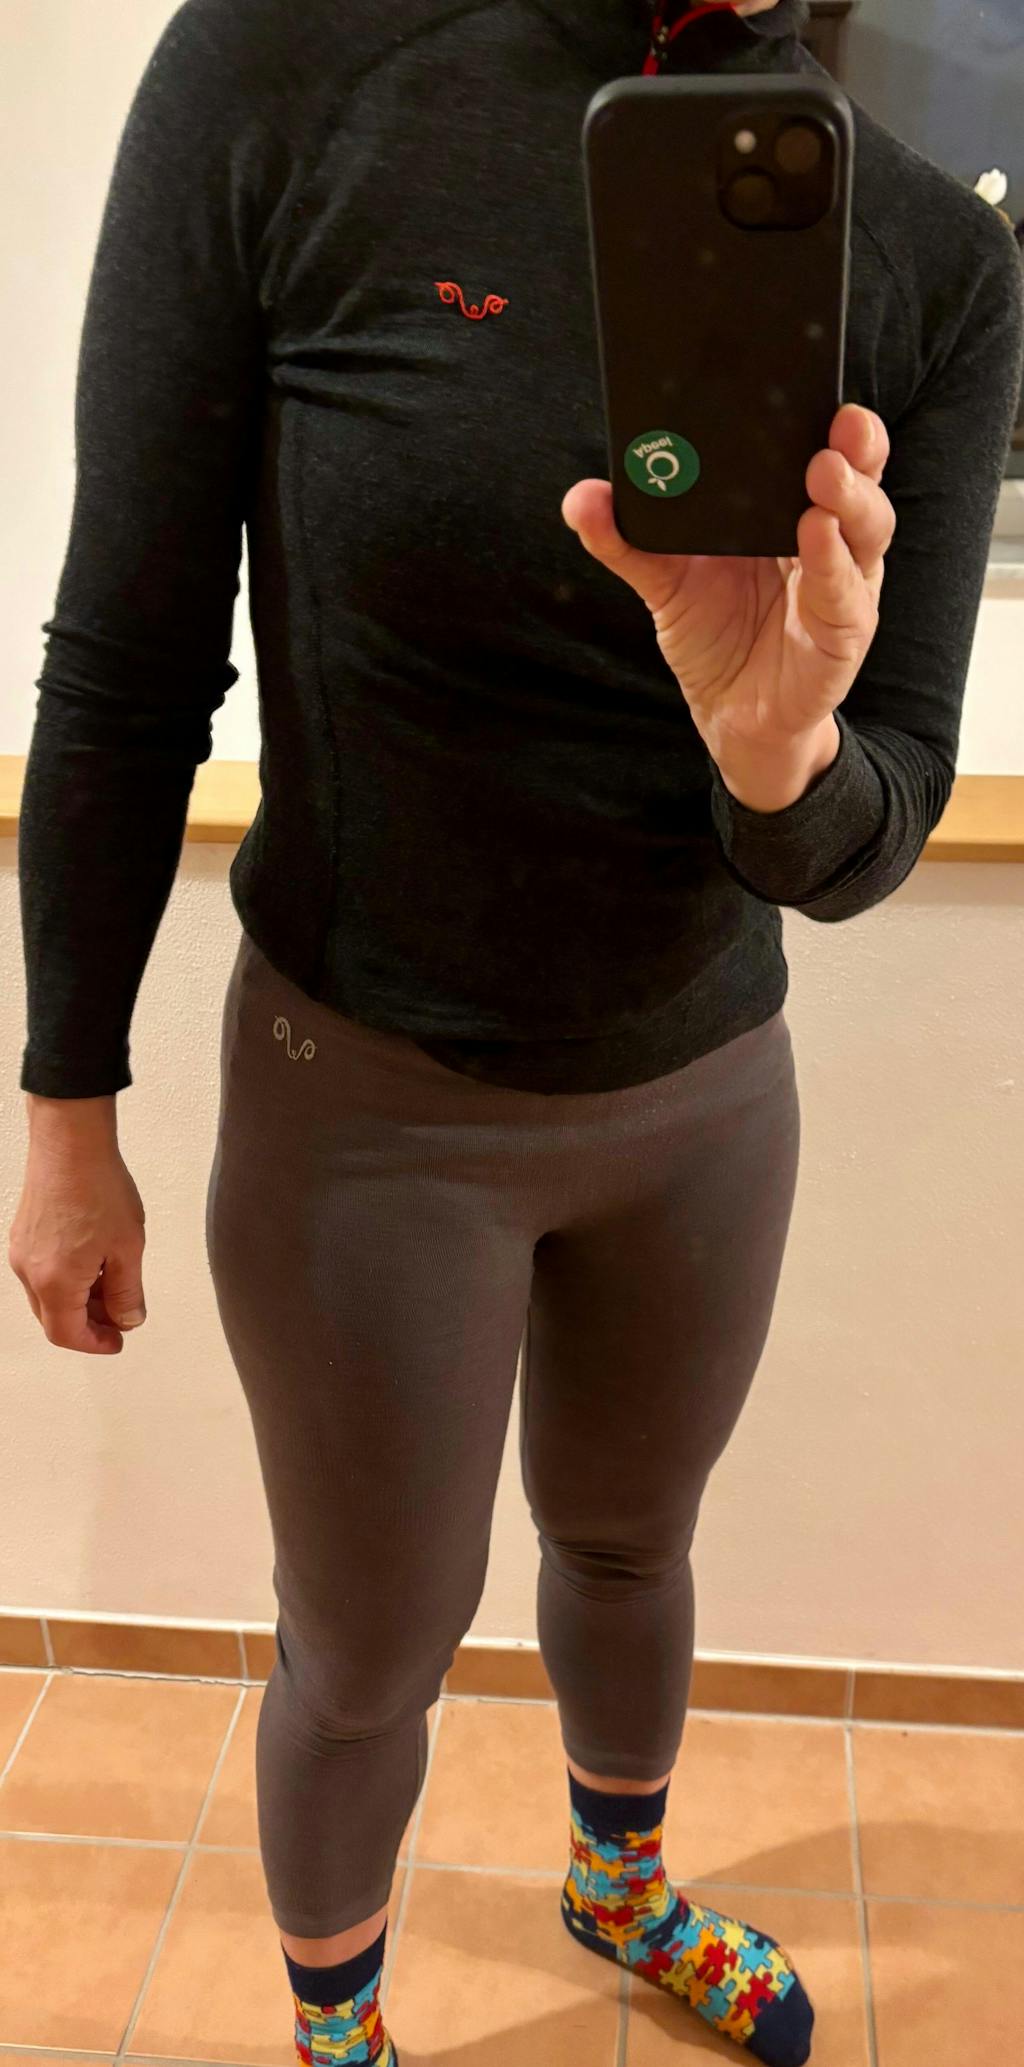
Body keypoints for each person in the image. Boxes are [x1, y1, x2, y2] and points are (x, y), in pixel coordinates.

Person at [8, 1, 1022, 2062]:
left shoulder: (928, 251)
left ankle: (616, 1885)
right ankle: (339, 2033)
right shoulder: (287, 72)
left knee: (631, 1546)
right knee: (368, 1647)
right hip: (364, 1109)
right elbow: (125, 654)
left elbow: (867, 827)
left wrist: (773, 755)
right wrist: (66, 1107)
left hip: (704, 1095)